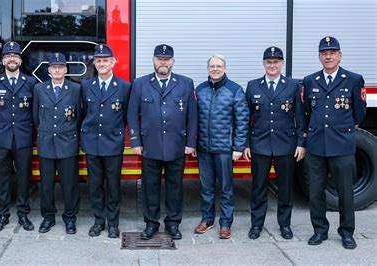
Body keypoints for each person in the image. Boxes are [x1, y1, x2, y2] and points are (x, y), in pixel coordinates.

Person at [127, 44, 198, 240]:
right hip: (149, 146)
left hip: (177, 146)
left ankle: (173, 223)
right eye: (159, 59)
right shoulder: (140, 84)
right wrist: (135, 141)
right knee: (150, 188)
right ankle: (151, 224)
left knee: (175, 187)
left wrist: (191, 142)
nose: (163, 62)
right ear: (153, 60)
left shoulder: (185, 83)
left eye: (166, 59)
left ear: (173, 61)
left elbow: (192, 116)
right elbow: (132, 114)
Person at [303, 36, 366, 249]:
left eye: (332, 52)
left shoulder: (354, 79)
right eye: (324, 53)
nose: (328, 56)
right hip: (316, 146)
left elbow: (359, 113)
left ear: (340, 55)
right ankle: (319, 231)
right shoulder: (310, 80)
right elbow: (307, 112)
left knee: (345, 192)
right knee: (316, 192)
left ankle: (347, 232)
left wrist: (342, 131)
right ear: (319, 57)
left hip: (342, 146)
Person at [243, 47, 306, 240]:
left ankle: (285, 225)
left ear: (282, 64)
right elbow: (246, 117)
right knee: (258, 187)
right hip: (259, 144)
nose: (272, 65)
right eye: (269, 62)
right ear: (264, 64)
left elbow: (300, 117)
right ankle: (256, 225)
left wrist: (301, 143)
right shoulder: (253, 85)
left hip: (286, 145)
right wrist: (245, 144)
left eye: (276, 62)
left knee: (285, 188)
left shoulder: (293, 86)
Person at [194, 54, 249, 239]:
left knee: (226, 189)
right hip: (204, 149)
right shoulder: (200, 90)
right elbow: (193, 119)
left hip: (225, 150)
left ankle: (225, 224)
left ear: (224, 68)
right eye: (212, 66)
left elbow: (242, 120)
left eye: (219, 66)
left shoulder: (235, 90)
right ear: (208, 68)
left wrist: (238, 147)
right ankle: (207, 220)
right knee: (206, 188)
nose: (215, 69)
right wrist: (193, 144)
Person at [81, 44, 131, 238]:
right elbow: (83, 113)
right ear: (94, 63)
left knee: (112, 185)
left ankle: (113, 223)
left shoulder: (124, 86)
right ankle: (98, 221)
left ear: (113, 63)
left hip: (113, 144)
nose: (102, 64)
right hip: (92, 143)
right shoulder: (86, 86)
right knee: (94, 185)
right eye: (99, 60)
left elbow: (126, 115)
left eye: (105, 60)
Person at [0, 41, 37, 232]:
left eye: (15, 56)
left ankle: (23, 215)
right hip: (1, 139)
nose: (12, 59)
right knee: (2, 178)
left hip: (23, 138)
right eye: (8, 56)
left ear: (20, 60)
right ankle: (3, 215)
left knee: (24, 178)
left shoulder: (30, 82)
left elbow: (34, 112)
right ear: (3, 60)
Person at [33, 52, 81, 234]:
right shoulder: (39, 88)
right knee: (46, 184)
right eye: (54, 67)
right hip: (46, 142)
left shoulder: (75, 89)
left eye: (60, 67)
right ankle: (48, 217)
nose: (57, 70)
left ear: (66, 69)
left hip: (67, 142)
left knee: (70, 184)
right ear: (49, 70)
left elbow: (79, 115)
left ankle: (70, 218)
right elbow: (36, 116)